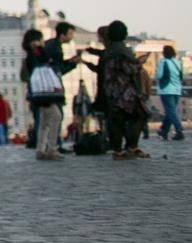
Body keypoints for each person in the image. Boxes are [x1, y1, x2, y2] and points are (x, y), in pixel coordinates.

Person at [91, 21, 149, 160]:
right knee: (141, 115)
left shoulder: (108, 51)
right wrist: (140, 63)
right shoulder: (123, 50)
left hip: (110, 90)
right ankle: (131, 147)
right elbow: (128, 69)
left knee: (116, 120)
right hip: (125, 91)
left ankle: (118, 151)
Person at [24, 23, 79, 161]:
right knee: (56, 117)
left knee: (43, 121)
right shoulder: (36, 53)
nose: (43, 42)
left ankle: (41, 149)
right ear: (34, 41)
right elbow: (46, 62)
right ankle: (52, 148)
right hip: (46, 92)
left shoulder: (30, 55)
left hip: (38, 93)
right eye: (40, 40)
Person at [153, 44, 182, 142]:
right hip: (177, 90)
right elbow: (180, 76)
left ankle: (179, 130)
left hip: (166, 90)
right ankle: (163, 131)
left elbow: (158, 76)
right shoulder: (177, 62)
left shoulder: (163, 62)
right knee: (170, 111)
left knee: (170, 111)